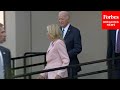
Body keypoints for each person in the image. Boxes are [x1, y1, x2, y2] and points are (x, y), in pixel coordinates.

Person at [58, 11, 82, 79]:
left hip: (71, 66)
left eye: (62, 19)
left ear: (67, 18)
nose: (60, 21)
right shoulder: (58, 31)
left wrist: (65, 55)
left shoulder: (75, 31)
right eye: (59, 19)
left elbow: (78, 48)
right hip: (59, 66)